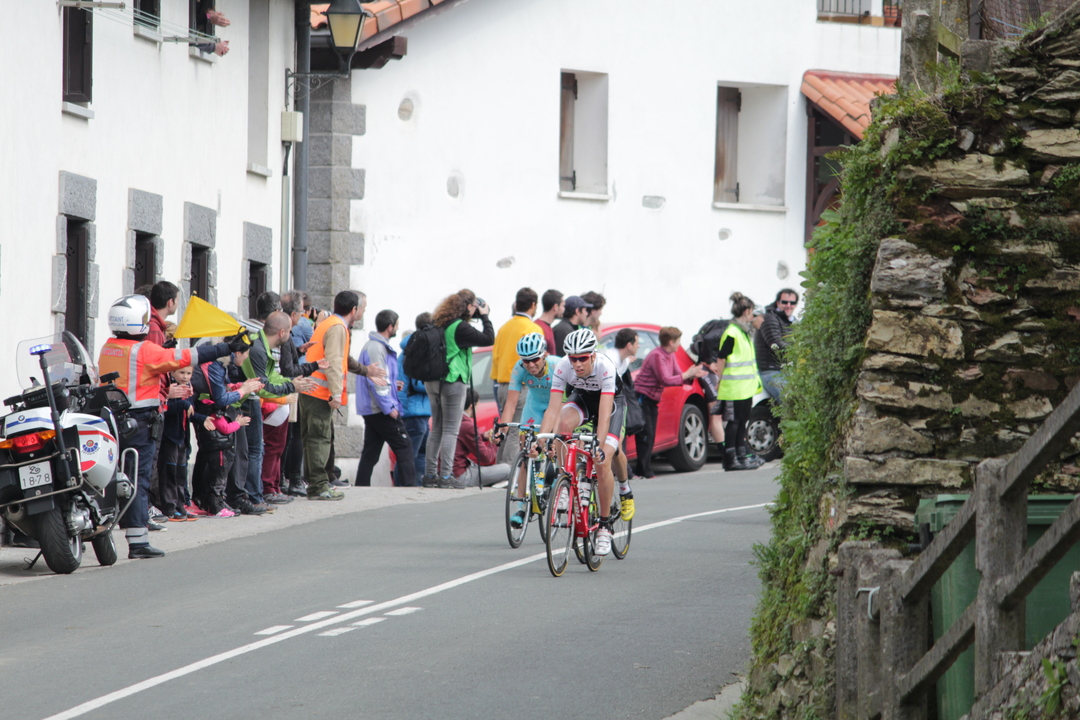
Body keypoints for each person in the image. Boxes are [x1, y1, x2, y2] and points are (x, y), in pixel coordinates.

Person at [98, 294, 247, 558]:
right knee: (138, 479)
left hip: (113, 420)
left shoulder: (109, 347)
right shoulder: (144, 350)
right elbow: (188, 356)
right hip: (140, 423)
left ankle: (112, 528)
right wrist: (226, 348)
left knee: (118, 477)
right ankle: (138, 542)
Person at [538, 328, 629, 556]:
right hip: (583, 398)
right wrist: (542, 437)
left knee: (603, 460)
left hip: (611, 404)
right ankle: (565, 482)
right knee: (563, 425)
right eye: (573, 358)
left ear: (593, 355)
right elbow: (552, 409)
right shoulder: (562, 367)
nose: (577, 364)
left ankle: (605, 526)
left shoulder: (605, 368)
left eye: (583, 358)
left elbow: (604, 415)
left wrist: (599, 446)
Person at [300, 290, 385, 500]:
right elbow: (335, 361)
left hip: (312, 390)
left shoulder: (330, 323)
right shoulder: (338, 327)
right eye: (363, 308)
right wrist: (336, 392)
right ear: (354, 309)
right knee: (319, 439)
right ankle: (318, 487)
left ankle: (315, 483)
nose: (363, 311)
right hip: (319, 392)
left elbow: (340, 359)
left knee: (314, 438)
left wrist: (366, 371)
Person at [423, 289, 494, 487]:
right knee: (450, 430)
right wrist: (485, 316)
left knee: (436, 429)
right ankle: (446, 476)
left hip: (432, 380)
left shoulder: (439, 323)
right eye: (474, 306)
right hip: (453, 379)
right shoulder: (460, 327)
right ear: (468, 306)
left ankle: (430, 475)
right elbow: (488, 339)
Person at [190, 348, 262, 517]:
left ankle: (213, 501)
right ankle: (213, 503)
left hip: (209, 413)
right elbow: (221, 399)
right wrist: (242, 390)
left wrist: (240, 387)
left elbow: (222, 390)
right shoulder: (215, 364)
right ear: (237, 352)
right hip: (209, 414)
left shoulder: (221, 365)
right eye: (246, 353)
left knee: (218, 463)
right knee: (216, 465)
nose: (247, 357)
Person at [497, 332, 558, 527]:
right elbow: (511, 404)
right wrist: (502, 431)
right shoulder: (518, 368)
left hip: (558, 406)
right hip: (534, 407)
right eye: (526, 361)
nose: (531, 365)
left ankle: (557, 477)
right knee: (526, 453)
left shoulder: (557, 366)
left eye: (535, 359)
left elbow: (562, 404)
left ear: (544, 354)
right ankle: (521, 507)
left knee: (555, 444)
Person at [633, 327, 707, 479]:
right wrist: (687, 374)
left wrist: (692, 375)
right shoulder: (657, 355)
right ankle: (643, 469)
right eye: (678, 341)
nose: (679, 344)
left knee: (651, 434)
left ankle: (644, 468)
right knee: (645, 434)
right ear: (671, 342)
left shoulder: (670, 355)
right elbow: (665, 379)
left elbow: (677, 375)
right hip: (643, 397)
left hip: (653, 399)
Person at [355, 310, 417, 487]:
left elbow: (378, 378)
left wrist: (392, 384)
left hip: (372, 407)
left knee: (370, 453)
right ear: (390, 327)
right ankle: (409, 488)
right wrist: (389, 408)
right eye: (396, 325)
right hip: (380, 409)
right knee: (404, 446)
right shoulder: (377, 348)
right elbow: (377, 381)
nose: (397, 328)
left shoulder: (374, 346)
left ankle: (361, 487)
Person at [712, 293, 765, 471]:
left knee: (742, 421)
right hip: (734, 387)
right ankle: (730, 459)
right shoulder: (732, 332)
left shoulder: (743, 332)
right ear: (747, 311)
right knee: (734, 422)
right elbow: (721, 358)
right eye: (752, 312)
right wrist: (719, 380)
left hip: (745, 387)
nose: (753, 316)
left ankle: (741, 455)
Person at [491, 288, 542, 463]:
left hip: (502, 384)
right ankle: (509, 471)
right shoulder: (533, 328)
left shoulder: (504, 328)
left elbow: (495, 357)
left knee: (504, 430)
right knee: (516, 431)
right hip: (523, 385)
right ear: (533, 305)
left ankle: (499, 469)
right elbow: (537, 361)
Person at [397, 313, 433, 486]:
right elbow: (418, 383)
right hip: (414, 411)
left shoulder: (410, 348)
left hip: (419, 410)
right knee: (409, 454)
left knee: (419, 454)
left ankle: (416, 486)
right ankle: (404, 487)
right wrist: (437, 383)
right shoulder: (415, 350)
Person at [158, 366, 197, 522]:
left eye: (188, 373)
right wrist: (184, 405)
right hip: (170, 437)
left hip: (183, 437)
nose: (185, 376)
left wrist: (203, 419)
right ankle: (169, 508)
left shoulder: (188, 388)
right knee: (169, 474)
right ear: (172, 373)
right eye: (181, 373)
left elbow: (191, 412)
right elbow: (165, 410)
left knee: (181, 474)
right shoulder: (171, 389)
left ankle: (181, 506)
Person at [453, 389, 512, 488]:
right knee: (508, 469)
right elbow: (486, 458)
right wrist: (493, 444)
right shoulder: (468, 425)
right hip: (461, 475)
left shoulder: (452, 421)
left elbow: (464, 436)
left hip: (449, 472)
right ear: (472, 406)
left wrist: (483, 436)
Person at [755, 288, 799, 404]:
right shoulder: (769, 318)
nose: (788, 305)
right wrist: (799, 351)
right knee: (791, 402)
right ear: (778, 303)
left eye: (792, 303)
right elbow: (776, 343)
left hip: (787, 371)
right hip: (771, 371)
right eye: (785, 302)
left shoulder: (792, 321)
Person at [534, 290, 564, 355]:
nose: (564, 309)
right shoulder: (539, 329)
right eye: (562, 306)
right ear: (555, 307)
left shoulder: (541, 326)